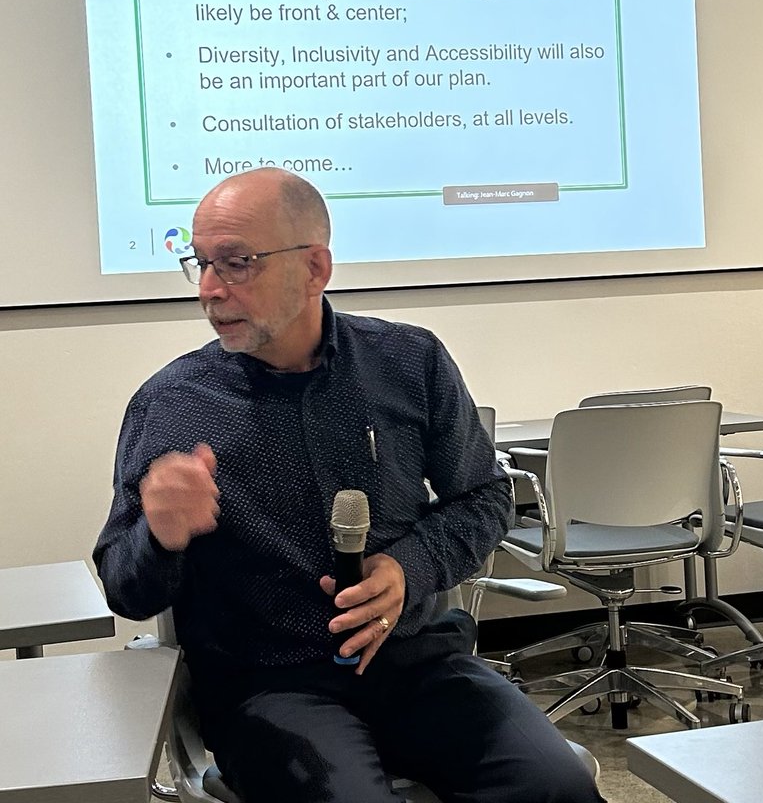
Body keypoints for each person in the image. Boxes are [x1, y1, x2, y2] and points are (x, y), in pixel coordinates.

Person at [94, 167, 603, 803]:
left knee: (556, 787)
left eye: (236, 263)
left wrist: (408, 569)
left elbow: (485, 497)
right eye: (200, 263)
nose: (209, 289)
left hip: (418, 661)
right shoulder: (171, 405)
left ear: (314, 269)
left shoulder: (407, 362)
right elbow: (124, 586)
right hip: (270, 686)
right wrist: (161, 536)